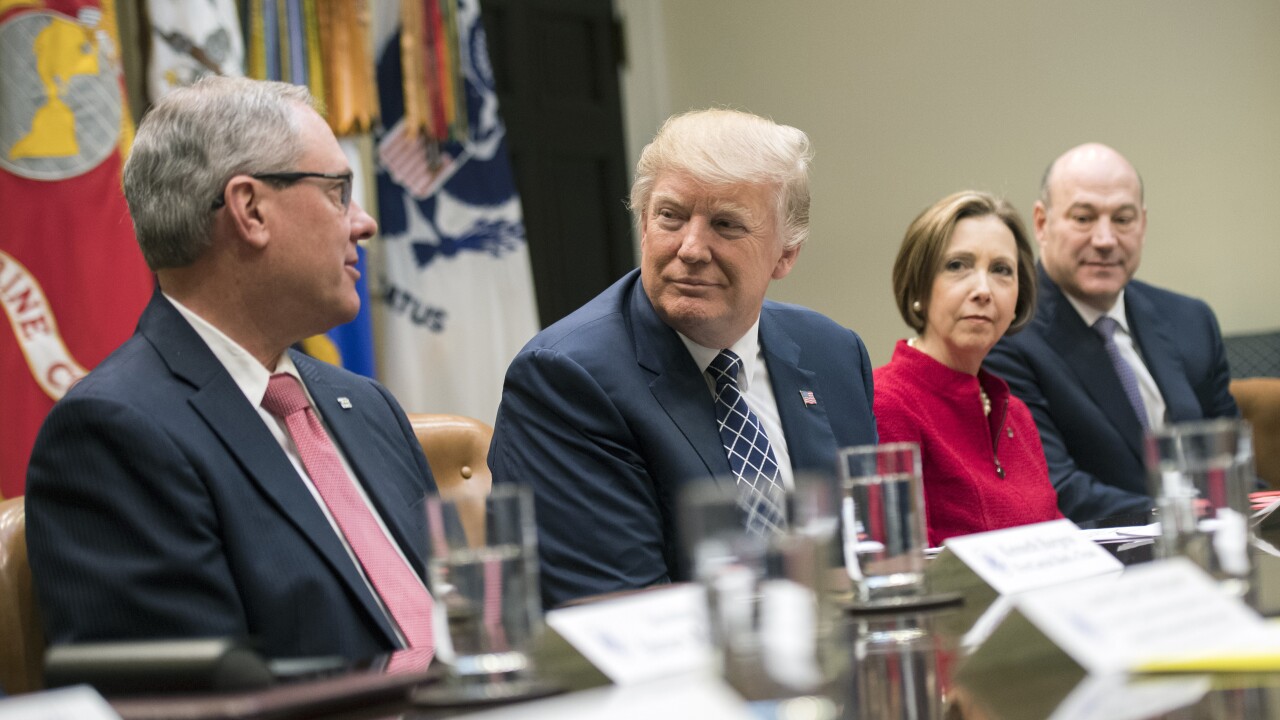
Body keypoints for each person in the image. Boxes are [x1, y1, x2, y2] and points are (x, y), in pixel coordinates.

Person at [25, 77, 438, 663]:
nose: (364, 223)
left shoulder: (369, 408)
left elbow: (469, 617)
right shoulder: (113, 435)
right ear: (250, 209)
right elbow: (194, 699)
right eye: (338, 192)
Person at [488, 108, 878, 608]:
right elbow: (625, 612)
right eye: (671, 216)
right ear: (644, 224)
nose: (692, 248)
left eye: (726, 224)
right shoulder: (565, 378)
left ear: (786, 253)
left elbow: (867, 553)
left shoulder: (833, 353)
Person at [984, 143, 1238, 522]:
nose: (1105, 240)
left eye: (1122, 219)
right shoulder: (1008, 333)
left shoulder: (1191, 320)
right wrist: (1184, 518)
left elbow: (1229, 461)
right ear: (1042, 224)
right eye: (1084, 218)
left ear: (1143, 224)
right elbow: (1059, 488)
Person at [875, 192, 1061, 546]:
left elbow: (1057, 538)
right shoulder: (887, 404)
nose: (983, 290)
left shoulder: (1016, 415)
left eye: (1001, 270)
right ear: (919, 286)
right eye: (958, 265)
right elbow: (905, 565)